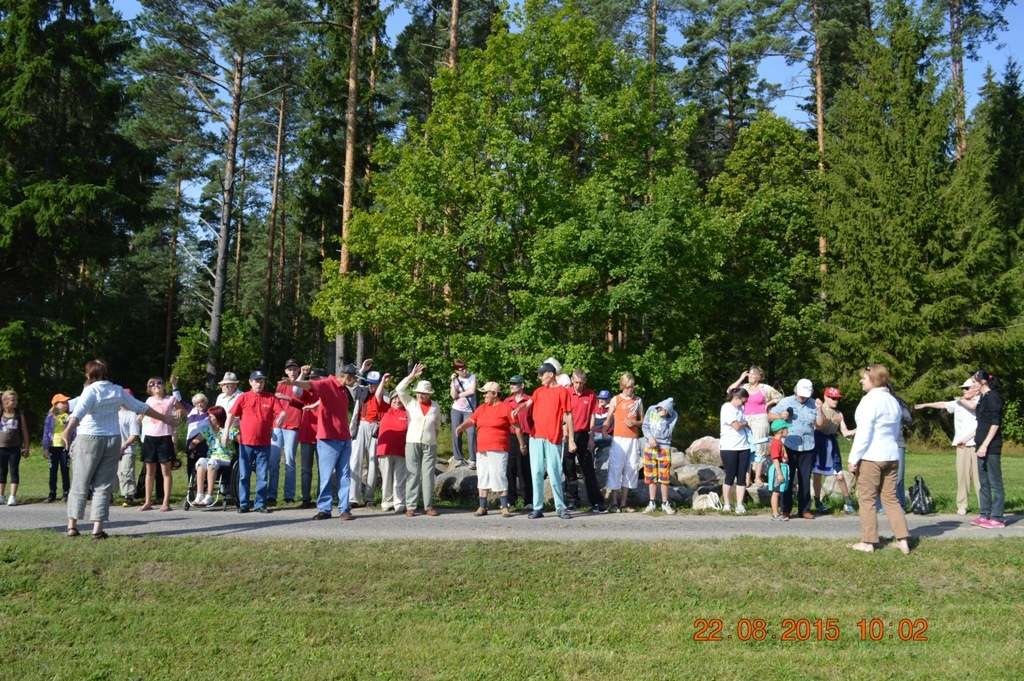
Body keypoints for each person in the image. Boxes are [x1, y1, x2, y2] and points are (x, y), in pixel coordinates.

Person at [62, 359, 177, 538]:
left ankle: (72, 526)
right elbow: (141, 407)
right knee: (103, 484)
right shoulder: (117, 390)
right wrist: (165, 418)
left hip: (88, 439)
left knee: (80, 481)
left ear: (89, 375)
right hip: (112, 439)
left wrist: (67, 431)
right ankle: (97, 529)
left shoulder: (90, 390)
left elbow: (79, 413)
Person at [847, 364, 911, 554]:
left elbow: (864, 434)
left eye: (864, 378)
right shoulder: (893, 401)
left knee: (867, 499)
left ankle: (868, 542)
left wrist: (853, 458)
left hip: (872, 457)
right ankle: (903, 540)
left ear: (873, 380)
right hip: (892, 455)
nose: (861, 380)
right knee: (891, 499)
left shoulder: (869, 401)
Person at [285, 364, 357, 521]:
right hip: (328, 439)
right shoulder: (327, 383)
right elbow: (310, 384)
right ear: (346, 376)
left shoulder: (343, 389)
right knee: (326, 475)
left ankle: (344, 509)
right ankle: (324, 509)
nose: (355, 381)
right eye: (354, 378)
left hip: (344, 437)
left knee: (344, 474)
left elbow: (326, 402)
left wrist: (314, 405)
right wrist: (294, 383)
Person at [513, 362, 576, 520]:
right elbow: (528, 403)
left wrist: (571, 440)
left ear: (551, 374)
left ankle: (560, 507)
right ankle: (537, 507)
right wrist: (520, 408)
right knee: (537, 473)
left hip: (553, 437)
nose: (539, 377)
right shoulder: (538, 391)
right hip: (536, 437)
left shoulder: (563, 392)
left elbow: (568, 415)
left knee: (555, 473)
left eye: (542, 374)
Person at [915, 377, 981, 515]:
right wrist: (926, 404)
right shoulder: (958, 402)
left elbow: (973, 408)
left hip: (976, 444)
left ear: (976, 390)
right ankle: (962, 505)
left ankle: (984, 506)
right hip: (961, 445)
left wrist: (962, 400)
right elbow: (942, 404)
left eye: (967, 388)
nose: (964, 391)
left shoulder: (980, 401)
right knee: (962, 476)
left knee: (979, 477)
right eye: (963, 389)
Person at [223, 371, 286, 514]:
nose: (259, 383)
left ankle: (260, 504)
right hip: (246, 443)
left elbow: (281, 412)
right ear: (251, 382)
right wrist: (226, 432)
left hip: (264, 443)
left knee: (262, 475)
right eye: (256, 381)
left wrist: (282, 416)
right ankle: (244, 503)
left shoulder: (270, 397)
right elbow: (231, 415)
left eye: (262, 381)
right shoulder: (243, 397)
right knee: (244, 475)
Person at [456, 381, 519, 517]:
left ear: (495, 394)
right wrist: (462, 426)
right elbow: (472, 420)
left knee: (499, 475)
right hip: (482, 449)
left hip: (499, 448)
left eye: (486, 393)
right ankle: (482, 506)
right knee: (483, 476)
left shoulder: (505, 408)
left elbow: (516, 425)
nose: (484, 395)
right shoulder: (481, 408)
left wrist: (522, 444)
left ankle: (504, 506)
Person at [395, 363, 441, 517]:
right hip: (412, 442)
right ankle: (411, 506)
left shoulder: (436, 406)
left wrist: (433, 439)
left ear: (430, 394)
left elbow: (437, 426)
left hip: (430, 443)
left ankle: (429, 506)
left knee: (428, 475)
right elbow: (399, 389)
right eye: (419, 392)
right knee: (412, 474)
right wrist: (411, 376)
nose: (421, 395)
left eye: (425, 393)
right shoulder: (410, 403)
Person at [769, 379, 818, 520]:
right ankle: (786, 510)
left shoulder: (814, 404)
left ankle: (805, 509)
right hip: (789, 447)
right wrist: (780, 416)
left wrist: (821, 410)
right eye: (801, 394)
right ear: (796, 390)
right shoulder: (786, 401)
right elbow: (770, 415)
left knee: (805, 479)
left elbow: (820, 424)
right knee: (788, 479)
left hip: (808, 446)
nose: (803, 397)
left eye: (806, 395)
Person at [727, 366, 783, 485]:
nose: (750, 376)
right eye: (749, 374)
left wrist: (769, 403)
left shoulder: (765, 388)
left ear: (759, 376)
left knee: (760, 447)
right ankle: (746, 477)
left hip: (760, 418)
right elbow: (730, 391)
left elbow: (780, 397)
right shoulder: (744, 387)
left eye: (753, 374)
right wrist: (741, 378)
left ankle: (757, 476)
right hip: (745, 418)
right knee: (746, 447)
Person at [139, 375, 186, 512]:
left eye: (159, 383)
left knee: (166, 471)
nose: (156, 385)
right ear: (149, 389)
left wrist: (178, 411)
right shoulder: (149, 400)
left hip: (164, 437)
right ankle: (148, 501)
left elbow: (183, 411)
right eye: (152, 384)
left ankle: (166, 502)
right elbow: (143, 413)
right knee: (149, 472)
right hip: (149, 437)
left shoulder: (171, 399)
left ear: (164, 386)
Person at [271, 360, 313, 506]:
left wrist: (288, 398)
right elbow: (275, 401)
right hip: (277, 424)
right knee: (274, 461)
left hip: (293, 425)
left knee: (290, 460)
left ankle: (289, 495)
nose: (292, 372)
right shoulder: (281, 383)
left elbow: (305, 404)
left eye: (295, 369)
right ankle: (272, 494)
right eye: (290, 369)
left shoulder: (302, 384)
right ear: (286, 372)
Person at [564, 369, 605, 513]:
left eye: (581, 383)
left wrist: (592, 437)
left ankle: (597, 502)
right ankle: (572, 501)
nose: (578, 385)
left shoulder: (591, 394)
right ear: (571, 380)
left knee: (588, 470)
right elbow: (563, 414)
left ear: (585, 382)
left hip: (584, 434)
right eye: (576, 382)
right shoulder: (566, 393)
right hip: (568, 434)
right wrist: (566, 434)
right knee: (568, 469)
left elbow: (593, 416)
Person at [602, 372, 643, 513]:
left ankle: (624, 503)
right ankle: (613, 502)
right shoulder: (616, 399)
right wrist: (605, 427)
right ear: (622, 386)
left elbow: (642, 421)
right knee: (615, 468)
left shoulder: (638, 400)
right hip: (619, 439)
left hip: (633, 439)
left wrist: (634, 422)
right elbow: (609, 418)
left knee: (631, 468)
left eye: (632, 387)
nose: (630, 390)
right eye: (627, 387)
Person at [970, 370, 1005, 529]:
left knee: (994, 481)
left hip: (991, 447)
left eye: (974, 382)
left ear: (982, 382)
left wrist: (985, 445)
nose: (972, 385)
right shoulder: (983, 398)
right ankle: (985, 514)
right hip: (980, 445)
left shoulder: (994, 397)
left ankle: (997, 517)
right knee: (983, 482)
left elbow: (995, 424)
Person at [812, 387, 856, 514]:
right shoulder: (819, 409)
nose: (836, 400)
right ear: (825, 397)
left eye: (837, 398)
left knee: (840, 475)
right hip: (818, 441)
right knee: (817, 474)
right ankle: (818, 502)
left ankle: (848, 502)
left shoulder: (839, 414)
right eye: (833, 398)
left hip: (831, 443)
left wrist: (860, 429)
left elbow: (845, 432)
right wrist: (820, 410)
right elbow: (819, 425)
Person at [373, 374, 408, 513]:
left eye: (399, 398)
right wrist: (382, 381)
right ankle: (387, 502)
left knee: (400, 478)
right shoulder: (384, 409)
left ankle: (399, 503)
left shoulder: (407, 412)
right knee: (386, 478)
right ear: (391, 399)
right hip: (384, 450)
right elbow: (378, 396)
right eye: (394, 398)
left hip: (401, 450)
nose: (397, 400)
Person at [348, 366, 382, 506]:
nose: (372, 386)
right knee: (355, 461)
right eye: (370, 383)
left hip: (375, 427)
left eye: (375, 384)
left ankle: (369, 497)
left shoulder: (384, 395)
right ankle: (353, 498)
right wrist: (361, 370)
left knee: (373, 463)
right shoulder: (362, 392)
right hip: (361, 425)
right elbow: (351, 383)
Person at [191, 406, 237, 506]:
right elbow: (196, 440)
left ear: (219, 418)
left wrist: (225, 435)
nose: (209, 419)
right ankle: (199, 495)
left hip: (225, 458)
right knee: (201, 461)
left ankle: (209, 496)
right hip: (212, 457)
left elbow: (239, 441)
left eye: (211, 417)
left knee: (211, 463)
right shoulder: (207, 429)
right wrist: (192, 445)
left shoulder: (229, 429)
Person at [641, 398, 678, 514]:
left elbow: (667, 433)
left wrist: (664, 417)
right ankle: (651, 502)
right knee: (650, 476)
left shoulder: (673, 415)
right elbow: (645, 426)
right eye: (662, 409)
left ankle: (665, 503)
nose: (662, 412)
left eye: (666, 411)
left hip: (664, 448)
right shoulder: (651, 409)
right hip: (649, 446)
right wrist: (650, 438)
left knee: (664, 478)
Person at [719, 388, 751, 514]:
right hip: (729, 447)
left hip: (744, 446)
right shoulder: (727, 407)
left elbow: (741, 423)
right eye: (743, 401)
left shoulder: (741, 409)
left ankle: (739, 504)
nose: (743, 404)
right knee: (730, 476)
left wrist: (744, 423)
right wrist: (745, 424)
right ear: (736, 398)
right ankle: (727, 504)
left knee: (742, 476)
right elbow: (737, 426)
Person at [504, 376, 533, 510]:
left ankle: (528, 500)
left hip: (526, 436)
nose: (512, 385)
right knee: (510, 469)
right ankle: (511, 500)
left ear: (522, 385)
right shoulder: (507, 401)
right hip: (510, 437)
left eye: (515, 383)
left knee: (524, 469)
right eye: (511, 383)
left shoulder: (529, 400)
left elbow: (534, 419)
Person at [297, 370, 324, 509]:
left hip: (323, 436)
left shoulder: (326, 392)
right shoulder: (307, 393)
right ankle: (306, 499)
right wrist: (302, 374)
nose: (312, 381)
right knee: (306, 470)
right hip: (307, 435)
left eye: (316, 378)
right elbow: (296, 390)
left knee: (322, 469)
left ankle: (322, 498)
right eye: (311, 379)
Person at [41, 393, 74, 503]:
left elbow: (72, 431)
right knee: (52, 471)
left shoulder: (68, 416)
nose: (65, 404)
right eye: (62, 402)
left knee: (65, 470)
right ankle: (52, 493)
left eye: (66, 402)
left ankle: (66, 493)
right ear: (55, 404)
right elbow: (46, 432)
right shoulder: (50, 417)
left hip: (64, 447)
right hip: (53, 447)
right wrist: (45, 447)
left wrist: (72, 444)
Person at [0, 389, 30, 506]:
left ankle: (12, 496)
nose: (15, 402)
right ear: (5, 401)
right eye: (13, 400)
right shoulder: (1, 412)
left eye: (16, 400)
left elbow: (24, 431)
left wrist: (26, 447)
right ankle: (1, 496)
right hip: (1, 448)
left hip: (15, 448)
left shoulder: (19, 414)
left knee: (14, 471)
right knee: (1, 472)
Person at [449, 359, 478, 469]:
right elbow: (453, 396)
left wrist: (459, 394)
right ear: (456, 371)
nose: (464, 371)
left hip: (469, 410)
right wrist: (452, 382)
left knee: (471, 433)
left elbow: (472, 391)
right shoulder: (455, 379)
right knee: (456, 432)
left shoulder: (472, 377)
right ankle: (458, 458)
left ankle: (473, 459)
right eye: (461, 369)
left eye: (465, 368)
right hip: (456, 409)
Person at [117, 391, 141, 506]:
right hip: (113, 448)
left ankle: (129, 496)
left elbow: (134, 435)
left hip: (127, 449)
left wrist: (124, 446)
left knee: (126, 472)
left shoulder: (132, 415)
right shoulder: (113, 413)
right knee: (114, 473)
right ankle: (109, 495)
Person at [767, 419, 791, 520]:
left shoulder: (779, 442)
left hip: (782, 467)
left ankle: (777, 512)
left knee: (779, 491)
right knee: (776, 492)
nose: (788, 431)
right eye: (786, 429)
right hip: (778, 469)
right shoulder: (776, 443)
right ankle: (775, 514)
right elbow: (775, 459)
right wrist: (779, 473)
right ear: (781, 430)